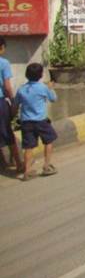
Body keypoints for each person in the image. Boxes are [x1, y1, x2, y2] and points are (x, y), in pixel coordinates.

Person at [15, 62, 57, 180]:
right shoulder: (43, 88)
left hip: (26, 122)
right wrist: (50, 88)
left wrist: (12, 115)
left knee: (28, 146)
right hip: (41, 121)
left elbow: (16, 104)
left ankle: (27, 171)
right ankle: (46, 166)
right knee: (48, 141)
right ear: (40, 75)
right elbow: (53, 99)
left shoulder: (22, 89)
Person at [0, 36, 23, 174]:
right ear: (1, 47)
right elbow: (7, 86)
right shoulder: (4, 63)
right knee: (8, 133)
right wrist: (13, 100)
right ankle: (18, 163)